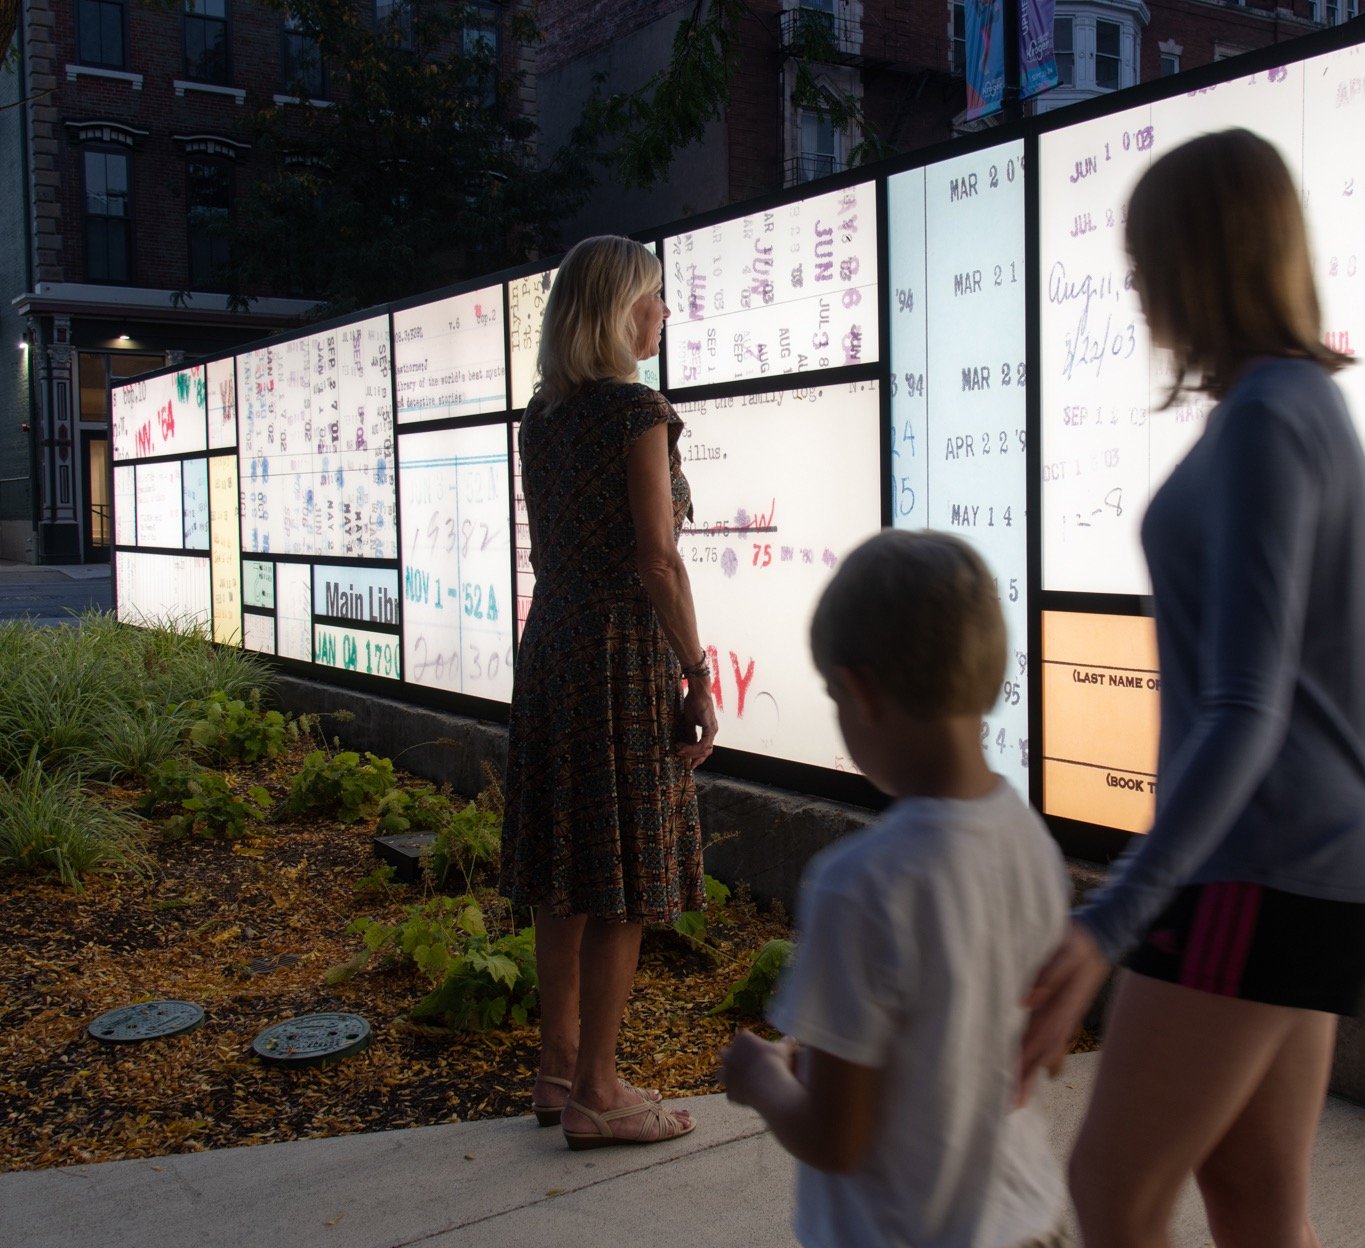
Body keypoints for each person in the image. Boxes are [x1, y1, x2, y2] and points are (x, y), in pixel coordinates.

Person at [1020, 128, 1365, 1247]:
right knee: (1258, 1208)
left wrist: (1112, 918)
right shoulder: (1296, 409)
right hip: (1306, 870)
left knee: (1112, 1194)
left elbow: (1247, 709)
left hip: (1252, 873)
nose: (1133, 283)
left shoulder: (1271, 421)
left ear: (1200, 256)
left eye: (1145, 256)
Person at [721, 529, 1073, 1248]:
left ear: (859, 692)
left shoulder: (860, 883)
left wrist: (759, 1078)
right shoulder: (1030, 842)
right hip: (1030, 1217)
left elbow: (832, 1139)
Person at [500, 235, 718, 1149]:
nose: (665, 312)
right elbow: (657, 558)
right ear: (619, 309)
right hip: (620, 653)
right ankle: (599, 1090)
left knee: (563, 863)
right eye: (655, 297)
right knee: (624, 869)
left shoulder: (541, 422)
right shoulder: (638, 412)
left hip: (550, 644)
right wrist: (697, 670)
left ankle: (557, 1068)